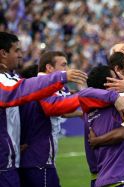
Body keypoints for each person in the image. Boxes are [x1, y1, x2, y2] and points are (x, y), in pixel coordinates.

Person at [0, 31, 86, 187]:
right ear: (3, 53)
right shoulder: (22, 85)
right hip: (25, 161)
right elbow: (52, 107)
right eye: (16, 51)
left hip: (15, 160)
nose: (21, 55)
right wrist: (65, 80)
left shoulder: (16, 80)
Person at [18, 51, 87, 187]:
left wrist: (80, 113)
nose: (67, 70)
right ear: (49, 68)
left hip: (39, 159)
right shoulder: (40, 84)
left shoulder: (50, 85)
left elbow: (62, 111)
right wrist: (85, 95)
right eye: (63, 65)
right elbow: (52, 107)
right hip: (38, 158)